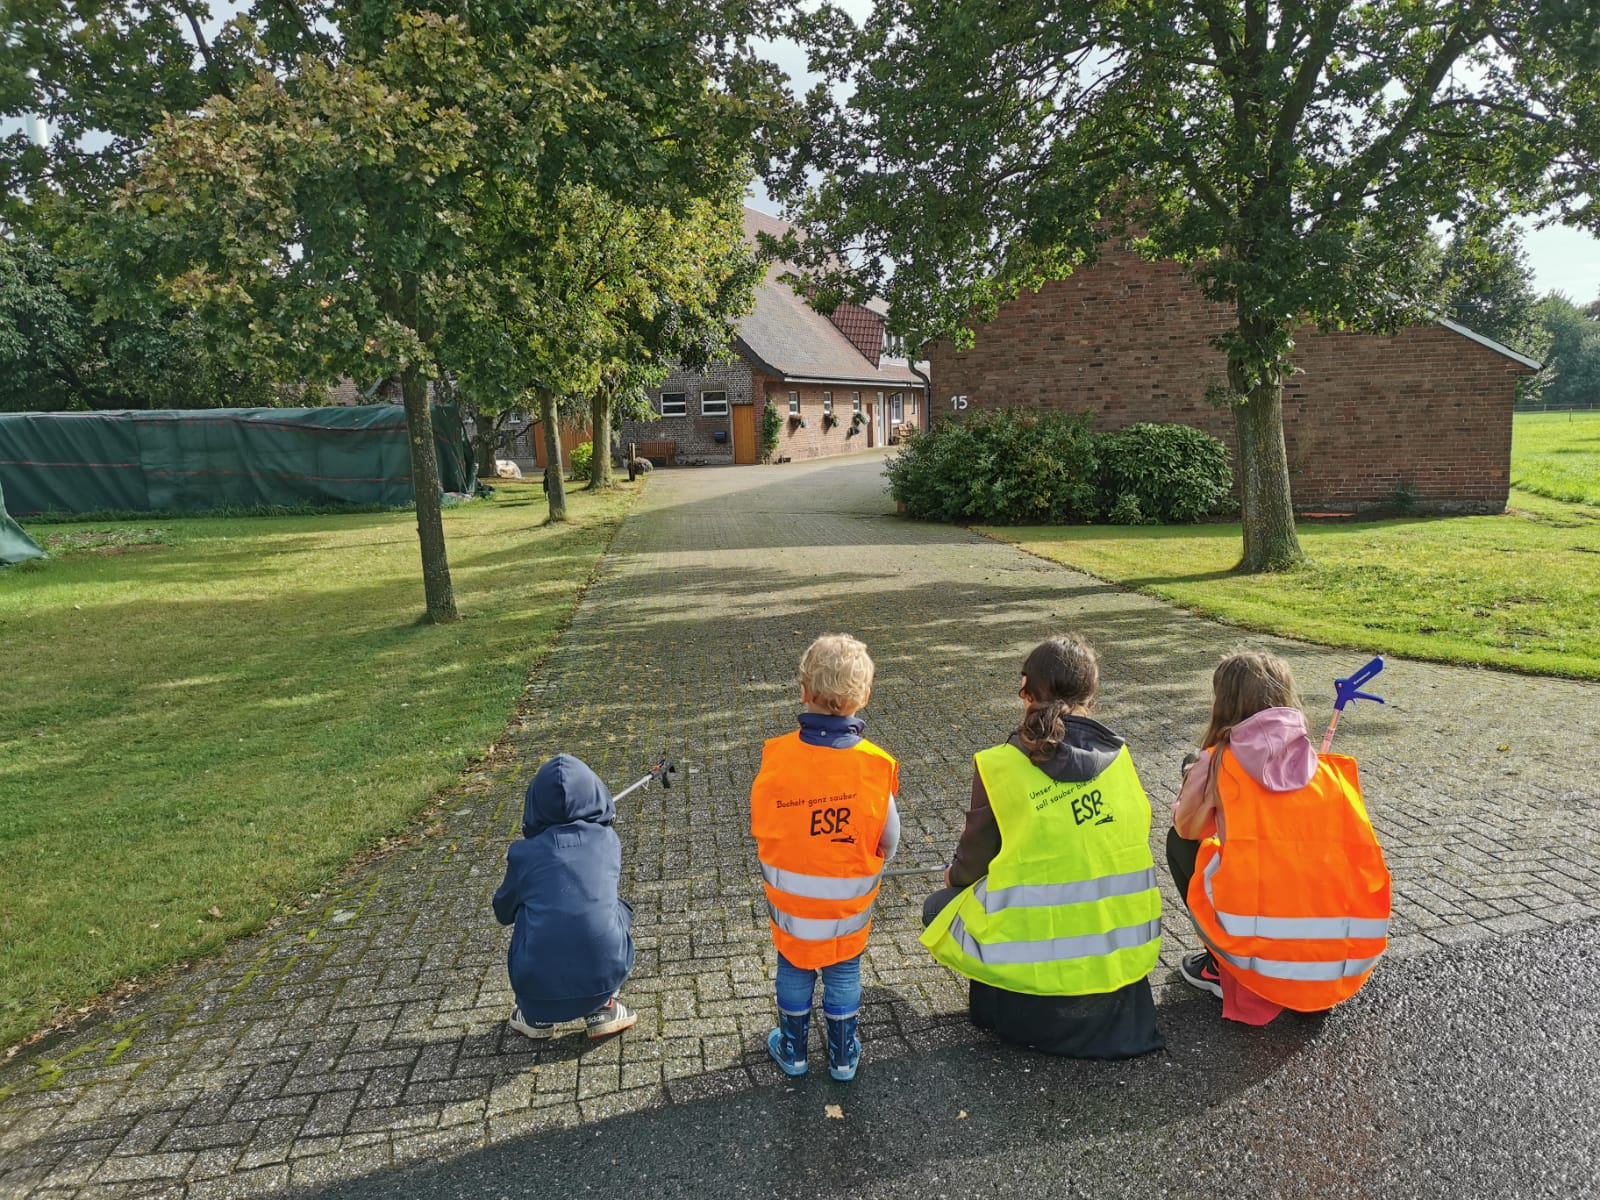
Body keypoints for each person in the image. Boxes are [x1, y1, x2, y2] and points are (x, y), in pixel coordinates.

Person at [921, 634, 1164, 1059]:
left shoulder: (999, 764)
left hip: (1035, 974)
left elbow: (971, 867)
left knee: (939, 907)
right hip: (1121, 958)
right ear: (1092, 695)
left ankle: (1003, 1005)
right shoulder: (1122, 758)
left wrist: (953, 877)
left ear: (1025, 693)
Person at [1168, 650, 1391, 1025]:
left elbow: (1187, 828)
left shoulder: (1217, 760)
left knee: (1181, 845)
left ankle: (1219, 965)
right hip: (1337, 960)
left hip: (1255, 952)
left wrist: (1193, 778)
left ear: (1223, 702)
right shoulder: (1325, 769)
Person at [750, 633, 901, 1081]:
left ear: (803, 691)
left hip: (792, 908)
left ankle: (793, 1050)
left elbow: (762, 827)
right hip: (847, 908)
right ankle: (841, 1055)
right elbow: (889, 839)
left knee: (794, 969)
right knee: (843, 972)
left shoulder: (776, 759)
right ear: (864, 697)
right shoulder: (875, 766)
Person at [492, 754, 638, 1040]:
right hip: (605, 969)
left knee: (528, 912)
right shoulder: (608, 842)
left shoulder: (523, 854)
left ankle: (534, 1015)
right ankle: (604, 1005)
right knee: (614, 908)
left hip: (537, 987)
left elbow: (503, 911)